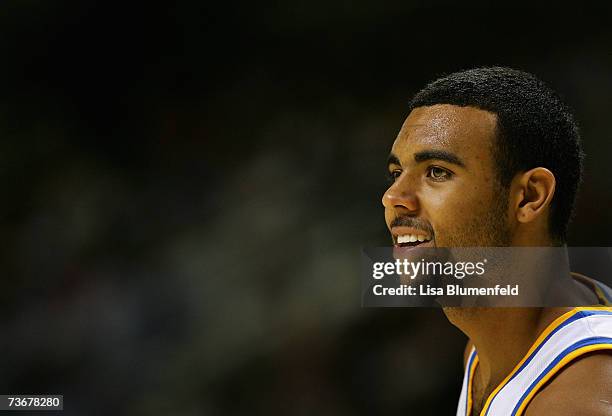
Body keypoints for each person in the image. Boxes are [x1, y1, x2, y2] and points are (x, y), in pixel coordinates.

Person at [381, 67, 612, 416]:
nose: (393, 197)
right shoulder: (489, 341)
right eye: (397, 173)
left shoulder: (577, 401)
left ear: (529, 196)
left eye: (437, 172)